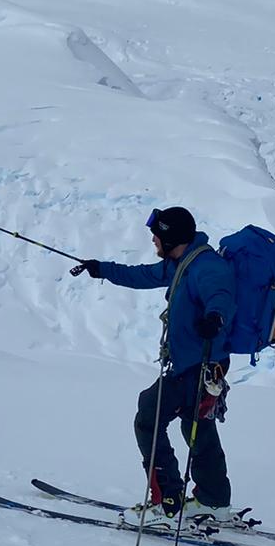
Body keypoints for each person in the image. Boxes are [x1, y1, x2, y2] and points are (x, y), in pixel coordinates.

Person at [70, 207, 237, 529]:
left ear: (171, 236)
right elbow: (141, 275)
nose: (153, 239)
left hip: (198, 367)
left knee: (149, 415)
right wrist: (100, 268)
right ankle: (214, 501)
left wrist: (215, 317)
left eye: (156, 235)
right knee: (197, 429)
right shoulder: (179, 265)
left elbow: (221, 294)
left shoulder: (206, 267)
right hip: (199, 368)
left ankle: (168, 504)